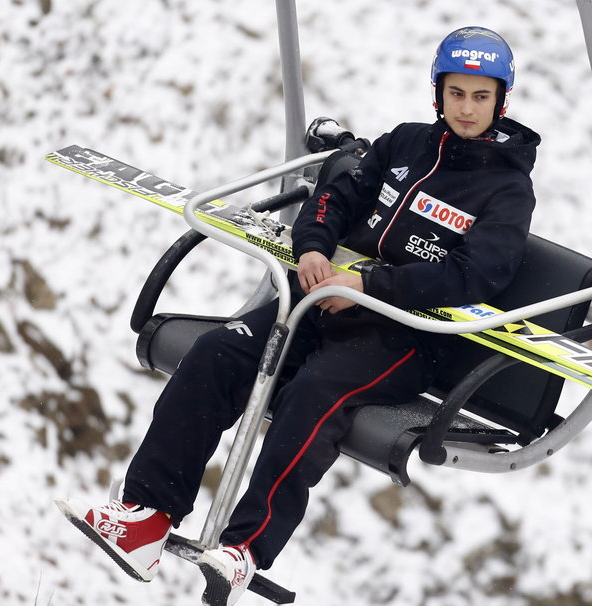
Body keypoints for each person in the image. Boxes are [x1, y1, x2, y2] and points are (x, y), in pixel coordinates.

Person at [56, 26, 540, 606]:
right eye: (456, 94)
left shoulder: (507, 189)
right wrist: (313, 245)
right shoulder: (405, 145)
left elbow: (475, 275)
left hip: (404, 337)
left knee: (314, 393)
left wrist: (366, 283)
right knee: (220, 352)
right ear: (439, 93)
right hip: (318, 304)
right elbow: (337, 196)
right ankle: (144, 517)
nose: (466, 108)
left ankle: (246, 550)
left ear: (500, 100)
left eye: (480, 97)